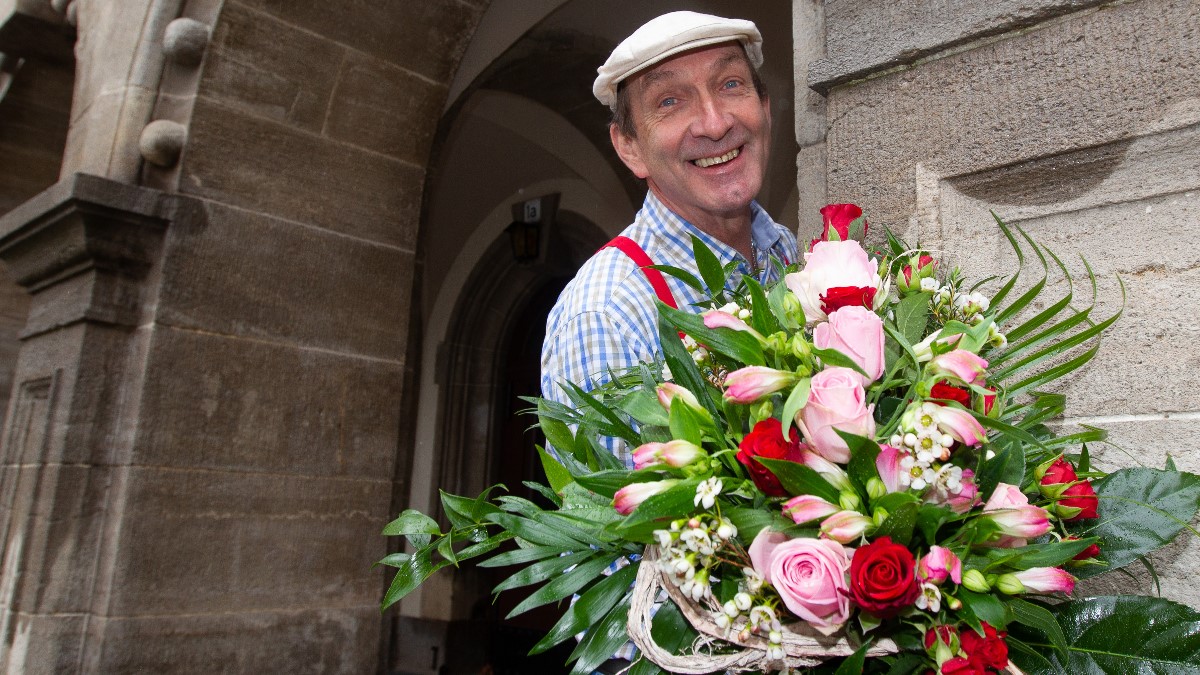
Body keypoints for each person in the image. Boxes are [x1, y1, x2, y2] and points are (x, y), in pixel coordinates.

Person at [540, 10, 800, 469]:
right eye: (669, 102)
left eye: (731, 84)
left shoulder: (789, 252)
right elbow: (611, 535)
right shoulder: (607, 313)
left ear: (765, 108)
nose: (715, 123)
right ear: (629, 147)